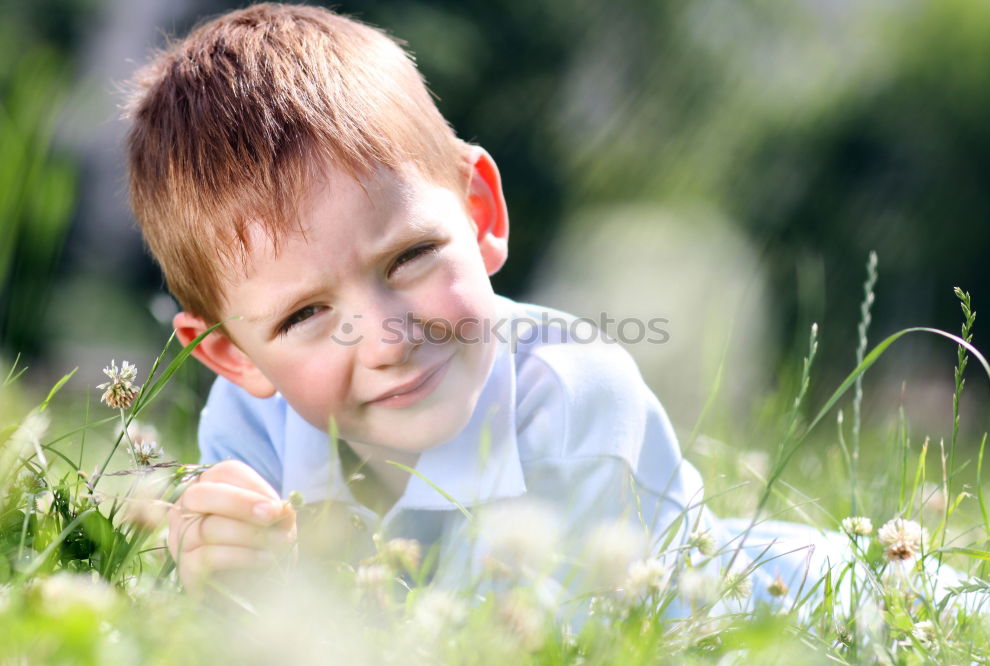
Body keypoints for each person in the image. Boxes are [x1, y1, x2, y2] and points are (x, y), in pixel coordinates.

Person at [124, 3, 848, 608]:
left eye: (408, 258)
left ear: (481, 212)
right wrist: (227, 578)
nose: (388, 337)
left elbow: (516, 643)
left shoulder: (576, 405)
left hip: (786, 599)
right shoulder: (249, 425)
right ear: (231, 354)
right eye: (304, 315)